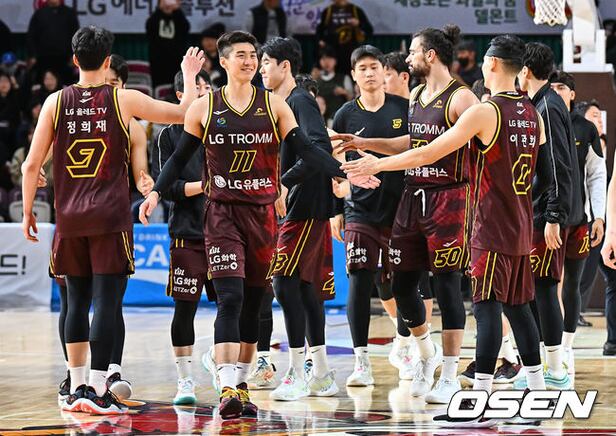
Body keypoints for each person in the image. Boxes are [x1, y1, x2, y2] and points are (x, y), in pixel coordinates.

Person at [139, 30, 378, 420]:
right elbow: (178, 158)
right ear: (224, 62)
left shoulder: (275, 106)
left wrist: (345, 171)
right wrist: (154, 194)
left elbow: (308, 150)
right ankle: (227, 387)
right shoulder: (205, 108)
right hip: (222, 215)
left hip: (262, 215)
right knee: (230, 298)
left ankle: (242, 384)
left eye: (254, 55)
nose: (250, 61)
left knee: (254, 302)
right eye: (242, 55)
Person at [341, 34, 550, 427]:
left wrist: (375, 164)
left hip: (488, 221)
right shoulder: (531, 112)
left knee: (486, 309)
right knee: (518, 308)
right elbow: (543, 174)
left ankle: (479, 401)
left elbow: (430, 151)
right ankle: (538, 395)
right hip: (520, 221)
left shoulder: (484, 110)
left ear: (491, 63)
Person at [22, 25, 205, 415]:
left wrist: (26, 212)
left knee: (75, 302)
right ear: (108, 62)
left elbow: (29, 166)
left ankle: (76, 387)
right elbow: (186, 113)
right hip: (109, 218)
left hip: (69, 220)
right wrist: (188, 76)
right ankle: (98, 388)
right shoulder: (124, 99)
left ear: (74, 60)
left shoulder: (55, 102)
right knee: (106, 301)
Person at [333, 25, 477, 404]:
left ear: (431, 55)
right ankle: (426, 353)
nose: (407, 58)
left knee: (447, 287)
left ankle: (449, 375)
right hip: (413, 197)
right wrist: (366, 143)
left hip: (448, 197)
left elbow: (429, 152)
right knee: (400, 286)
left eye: (413, 51)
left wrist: (377, 165)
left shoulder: (462, 99)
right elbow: (413, 142)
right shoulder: (415, 94)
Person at [260, 37, 339, 401]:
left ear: (285, 66)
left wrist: (284, 182)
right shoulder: (277, 104)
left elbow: (318, 149)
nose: (261, 69)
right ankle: (320, 373)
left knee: (283, 283)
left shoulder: (299, 100)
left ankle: (296, 371)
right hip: (299, 205)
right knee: (306, 288)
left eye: (266, 62)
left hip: (305, 205)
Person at [331, 45, 410, 385]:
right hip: (359, 210)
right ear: (353, 75)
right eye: (361, 68)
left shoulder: (404, 109)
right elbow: (335, 167)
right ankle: (361, 362)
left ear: (383, 71)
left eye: (374, 67)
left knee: (401, 284)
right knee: (360, 280)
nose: (369, 73)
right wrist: (336, 210)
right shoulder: (345, 115)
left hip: (400, 209)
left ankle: (405, 345)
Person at [515, 42, 581, 390]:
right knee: (537, 290)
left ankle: (555, 371)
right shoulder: (543, 102)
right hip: (542, 213)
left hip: (548, 217)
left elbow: (559, 167)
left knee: (544, 288)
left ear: (525, 71)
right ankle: (544, 367)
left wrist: (554, 215)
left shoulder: (547, 107)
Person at [151, 69, 212, 405]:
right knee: (185, 308)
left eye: (207, 86)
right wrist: (204, 186)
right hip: (187, 232)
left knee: (233, 305)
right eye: (196, 87)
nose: (204, 92)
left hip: (225, 231)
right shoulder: (168, 136)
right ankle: (185, 380)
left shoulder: (223, 129)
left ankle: (226, 369)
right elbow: (168, 187)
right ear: (180, 95)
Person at [549, 71, 607, 379]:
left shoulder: (585, 128)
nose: (555, 91)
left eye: (561, 87)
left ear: (572, 94)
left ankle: (567, 349)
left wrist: (599, 215)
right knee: (544, 286)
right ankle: (549, 352)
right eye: (552, 86)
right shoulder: (539, 119)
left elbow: (596, 174)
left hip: (578, 221)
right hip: (545, 220)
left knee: (571, 284)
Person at [27, 0, 79, 84]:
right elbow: (32, 35)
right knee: (45, 82)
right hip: (43, 57)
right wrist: (33, 55)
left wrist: (74, 55)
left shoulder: (69, 13)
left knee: (65, 83)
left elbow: (76, 35)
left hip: (64, 58)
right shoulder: (39, 13)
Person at [315, 0, 373, 75]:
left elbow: (369, 30)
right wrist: (320, 41)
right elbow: (320, 30)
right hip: (333, 53)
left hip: (350, 52)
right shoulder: (328, 11)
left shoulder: (355, 10)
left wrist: (358, 23)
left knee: (350, 75)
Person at [146, 0, 190, 88]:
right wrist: (160, 10)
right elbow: (149, 27)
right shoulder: (155, 18)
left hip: (176, 59)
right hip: (158, 60)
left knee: (177, 85)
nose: (168, 5)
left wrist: (177, 10)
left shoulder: (178, 17)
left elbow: (185, 28)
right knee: (158, 85)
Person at [313, 46, 354, 123]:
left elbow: (352, 100)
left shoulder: (344, 78)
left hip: (339, 120)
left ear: (335, 61)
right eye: (323, 59)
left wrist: (344, 92)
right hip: (320, 121)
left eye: (329, 58)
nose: (326, 62)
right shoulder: (315, 80)